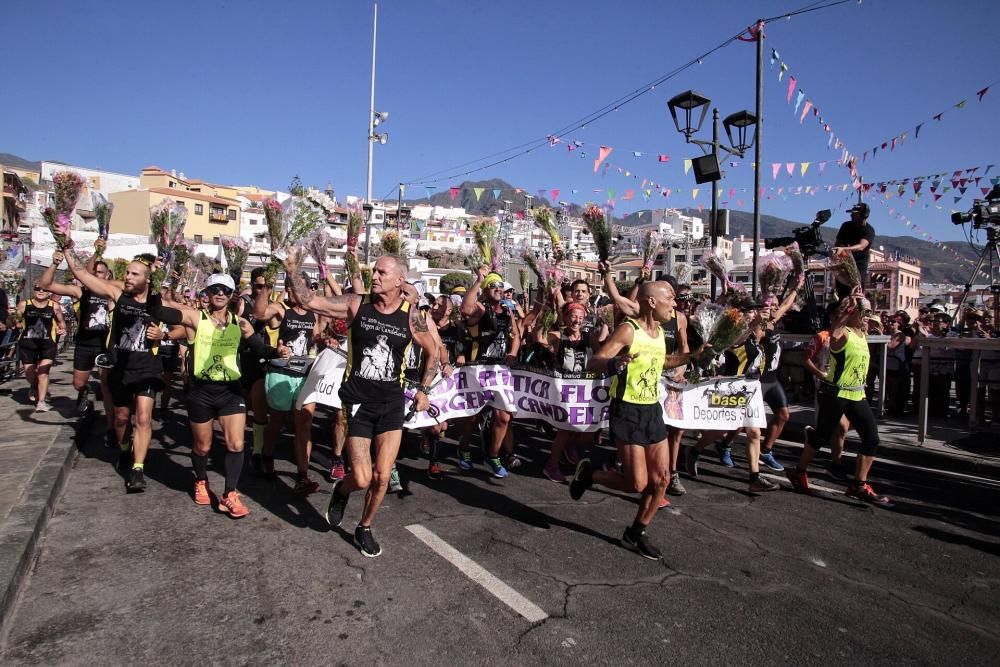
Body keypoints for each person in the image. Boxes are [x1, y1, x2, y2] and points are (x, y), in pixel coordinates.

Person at [284, 252, 439, 558]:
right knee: (363, 477)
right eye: (374, 270)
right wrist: (291, 268)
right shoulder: (357, 304)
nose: (375, 276)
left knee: (383, 476)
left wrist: (423, 389)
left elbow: (433, 351)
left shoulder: (411, 315)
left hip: (392, 403)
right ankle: (343, 490)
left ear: (400, 281)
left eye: (382, 272)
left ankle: (365, 526)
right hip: (357, 401)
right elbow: (311, 302)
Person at [569, 281, 706, 561]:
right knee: (637, 484)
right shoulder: (629, 329)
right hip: (627, 411)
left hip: (652, 411)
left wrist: (693, 356)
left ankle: (635, 533)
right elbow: (595, 361)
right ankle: (590, 475)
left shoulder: (658, 333)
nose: (675, 303)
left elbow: (662, 361)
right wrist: (614, 364)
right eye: (670, 297)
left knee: (662, 479)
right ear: (652, 302)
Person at [63, 249, 184, 493]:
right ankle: (124, 450)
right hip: (120, 366)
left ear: (147, 279)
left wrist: (165, 335)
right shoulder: (117, 295)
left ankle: (137, 469)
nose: (127, 277)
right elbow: (79, 273)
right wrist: (66, 246)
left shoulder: (159, 303)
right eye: (127, 272)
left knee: (142, 417)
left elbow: (186, 326)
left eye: (134, 273)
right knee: (121, 418)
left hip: (148, 368)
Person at [167, 273, 284, 518]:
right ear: (207, 293)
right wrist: (155, 285)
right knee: (203, 446)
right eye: (215, 289)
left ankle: (229, 494)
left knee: (237, 444)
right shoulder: (196, 318)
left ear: (232, 296)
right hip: (201, 390)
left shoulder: (239, 323)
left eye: (226, 290)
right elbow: (163, 313)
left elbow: (259, 349)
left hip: (230, 390)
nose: (220, 293)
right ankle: (201, 480)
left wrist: (278, 352)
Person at [786, 296, 892, 506]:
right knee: (822, 436)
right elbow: (835, 329)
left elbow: (874, 322)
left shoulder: (862, 334)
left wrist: (862, 301)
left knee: (871, 439)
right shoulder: (840, 334)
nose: (866, 319)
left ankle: (859, 485)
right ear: (851, 314)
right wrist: (847, 307)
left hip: (856, 394)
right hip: (835, 393)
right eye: (862, 315)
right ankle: (798, 471)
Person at [253, 272, 324, 494]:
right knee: (276, 421)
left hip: (305, 375)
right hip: (281, 374)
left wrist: (324, 339)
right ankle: (266, 454)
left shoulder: (314, 313)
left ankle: (302, 476)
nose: (294, 292)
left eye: (299, 287)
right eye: (290, 288)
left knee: (304, 423)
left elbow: (318, 336)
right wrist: (267, 286)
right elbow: (259, 313)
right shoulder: (281, 309)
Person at [457, 267, 522, 477]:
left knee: (504, 417)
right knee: (473, 416)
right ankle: (464, 449)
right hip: (478, 368)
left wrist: (512, 353)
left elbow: (516, 335)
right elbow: (465, 309)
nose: (497, 288)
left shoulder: (507, 310)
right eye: (491, 286)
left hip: (499, 370)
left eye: (499, 285)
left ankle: (493, 455)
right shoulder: (481, 309)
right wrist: (479, 280)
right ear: (485, 291)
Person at [41, 247, 113, 428]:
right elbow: (46, 285)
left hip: (104, 345)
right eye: (94, 272)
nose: (97, 275)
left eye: (101, 272)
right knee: (78, 383)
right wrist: (54, 264)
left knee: (106, 386)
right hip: (84, 344)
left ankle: (111, 427)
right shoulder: (81, 292)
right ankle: (85, 393)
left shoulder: (112, 293)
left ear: (108, 275)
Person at [13, 282, 65, 411]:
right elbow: (15, 322)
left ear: (49, 292)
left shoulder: (55, 306)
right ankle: (34, 386)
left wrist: (62, 329)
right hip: (28, 343)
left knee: (43, 373)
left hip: (47, 344)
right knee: (29, 373)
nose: (41, 291)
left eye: (44, 289)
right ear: (33, 290)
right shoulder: (24, 305)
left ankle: (41, 402)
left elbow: (61, 323)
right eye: (37, 288)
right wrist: (12, 318)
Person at [833, 202, 875, 299]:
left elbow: (861, 246)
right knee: (842, 292)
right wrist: (839, 250)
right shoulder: (845, 226)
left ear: (864, 215)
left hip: (858, 267)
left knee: (856, 293)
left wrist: (844, 249)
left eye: (855, 213)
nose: (851, 215)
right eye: (852, 213)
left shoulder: (869, 230)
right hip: (843, 264)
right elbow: (838, 243)